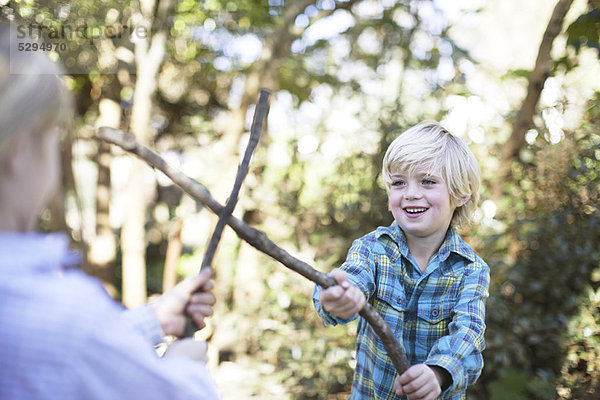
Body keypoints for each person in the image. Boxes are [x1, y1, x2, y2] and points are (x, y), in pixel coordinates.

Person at [0, 23, 220, 399]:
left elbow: (64, 352)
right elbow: (72, 342)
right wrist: (182, 366)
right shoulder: (64, 313)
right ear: (19, 151)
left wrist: (154, 318)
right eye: (55, 137)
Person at [313, 121, 490, 400]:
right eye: (398, 183)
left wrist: (438, 373)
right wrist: (337, 295)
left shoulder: (471, 270)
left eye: (428, 181)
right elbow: (354, 277)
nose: (410, 193)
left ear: (461, 192)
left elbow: (468, 336)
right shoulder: (372, 249)